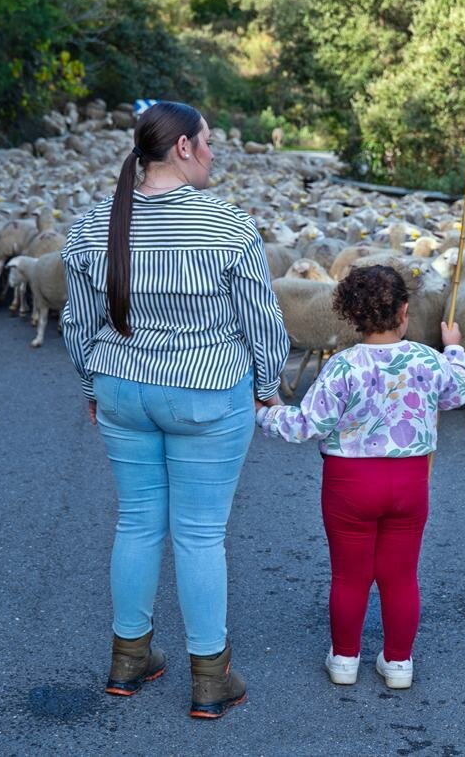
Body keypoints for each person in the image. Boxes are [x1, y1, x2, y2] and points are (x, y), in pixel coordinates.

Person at [60, 101, 290, 720]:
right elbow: (261, 320)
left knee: (136, 523)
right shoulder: (228, 226)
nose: (214, 153)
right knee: (199, 534)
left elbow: (78, 321)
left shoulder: (93, 226)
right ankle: (210, 678)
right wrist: (267, 384)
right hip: (206, 391)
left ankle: (129, 660)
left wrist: (91, 386)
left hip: (120, 387)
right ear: (184, 147)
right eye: (209, 142)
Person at [257, 265, 465, 691]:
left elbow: (306, 425)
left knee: (349, 576)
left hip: (350, 481)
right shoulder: (426, 359)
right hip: (409, 480)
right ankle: (398, 662)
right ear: (405, 311)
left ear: (352, 315)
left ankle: (345, 659)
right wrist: (454, 349)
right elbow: (457, 393)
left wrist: (264, 413)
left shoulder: (341, 367)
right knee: (401, 575)